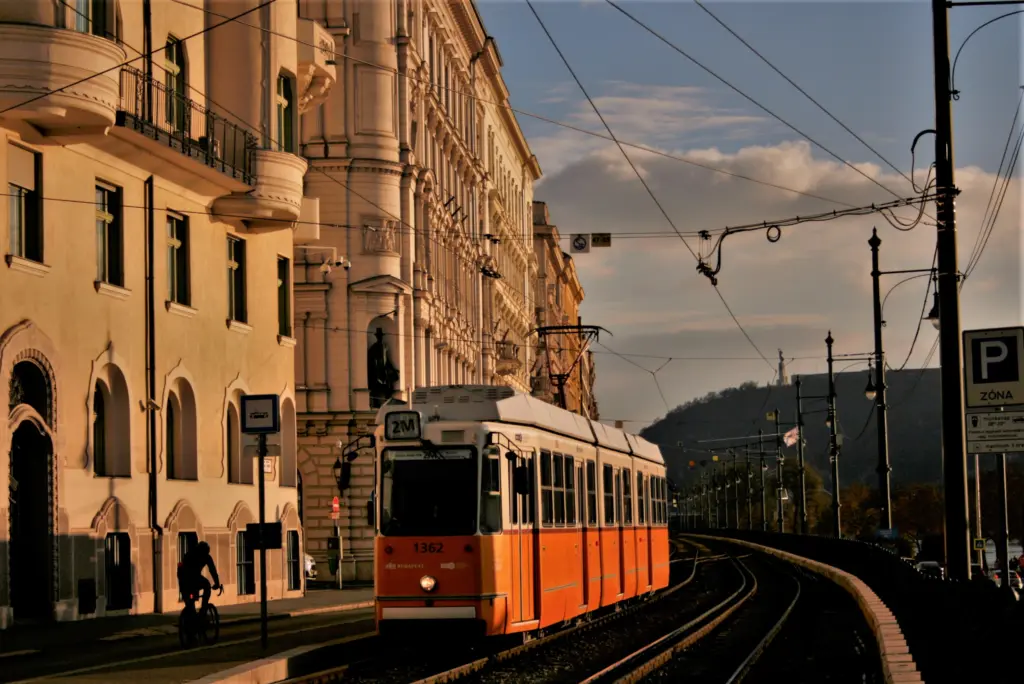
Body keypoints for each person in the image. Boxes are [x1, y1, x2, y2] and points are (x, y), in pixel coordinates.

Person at [177, 541, 221, 620]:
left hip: (185, 580)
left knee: (191, 600)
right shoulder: (197, 556)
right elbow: (212, 570)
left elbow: (212, 570)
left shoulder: (192, 554)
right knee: (206, 586)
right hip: (188, 579)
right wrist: (217, 583)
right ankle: (202, 610)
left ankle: (196, 615)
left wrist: (217, 582)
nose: (204, 556)